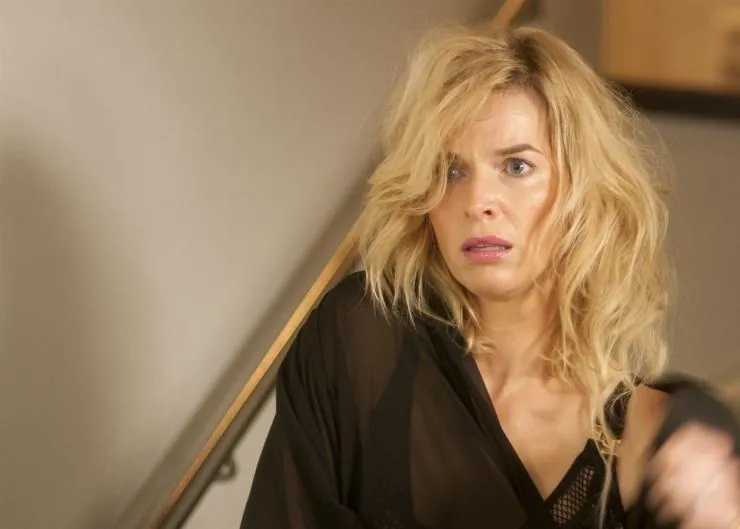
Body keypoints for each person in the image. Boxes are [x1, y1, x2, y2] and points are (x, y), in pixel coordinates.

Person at [240, 23, 740, 529]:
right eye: (451, 171)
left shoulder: (656, 439)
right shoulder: (359, 341)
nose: (477, 202)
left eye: (516, 167)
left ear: (582, 194)